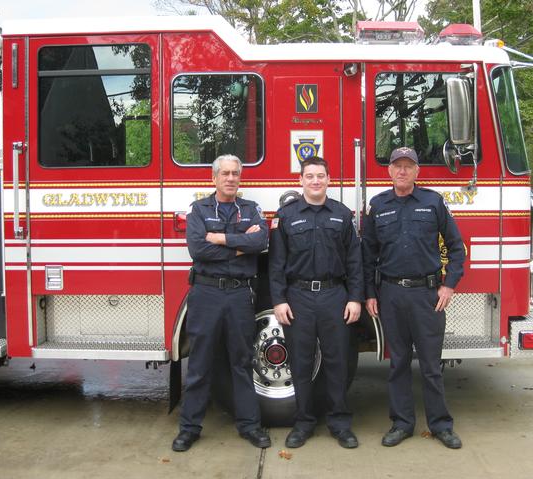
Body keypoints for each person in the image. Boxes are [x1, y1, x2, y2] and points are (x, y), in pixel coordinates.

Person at [362, 146, 465, 449]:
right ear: (389, 171)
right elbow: (367, 254)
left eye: (409, 166)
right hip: (391, 295)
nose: (403, 171)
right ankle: (402, 423)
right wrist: (369, 293)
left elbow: (456, 248)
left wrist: (449, 286)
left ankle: (441, 425)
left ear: (417, 171)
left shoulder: (433, 202)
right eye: (398, 166)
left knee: (432, 366)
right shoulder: (378, 205)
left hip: (427, 296)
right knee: (398, 364)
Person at [172, 154, 271, 452]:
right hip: (206, 294)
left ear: (241, 178)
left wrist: (220, 239)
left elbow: (261, 243)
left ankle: (250, 426)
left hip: (240, 295)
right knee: (200, 364)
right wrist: (240, 245)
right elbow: (198, 250)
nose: (230, 178)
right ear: (214, 178)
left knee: (241, 362)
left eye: (235, 174)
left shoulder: (250, 209)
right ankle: (189, 429)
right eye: (225, 173)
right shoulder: (199, 210)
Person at [269, 156, 363, 449]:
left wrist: (355, 298)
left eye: (320, 176)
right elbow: (276, 263)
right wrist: (279, 300)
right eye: (309, 176)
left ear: (329, 179)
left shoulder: (342, 214)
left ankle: (339, 423)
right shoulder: (286, 217)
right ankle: (303, 423)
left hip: (335, 295)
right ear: (301, 181)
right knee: (301, 362)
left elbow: (355, 261)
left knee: (338, 362)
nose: (315, 181)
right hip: (298, 298)